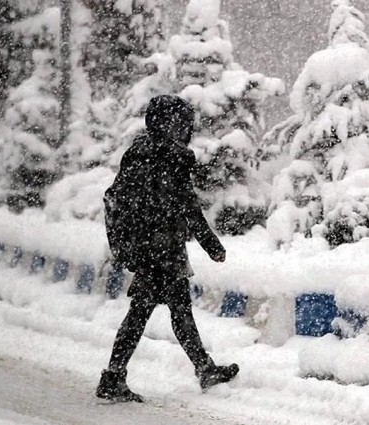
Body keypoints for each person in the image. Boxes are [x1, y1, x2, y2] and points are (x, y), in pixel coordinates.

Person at [97, 95, 238, 403]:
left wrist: (129, 244)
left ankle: (201, 368)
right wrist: (212, 245)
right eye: (181, 123)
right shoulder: (170, 159)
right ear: (169, 124)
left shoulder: (137, 154)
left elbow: (120, 199)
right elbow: (189, 207)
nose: (185, 129)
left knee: (169, 310)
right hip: (162, 251)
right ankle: (114, 375)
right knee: (153, 313)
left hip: (147, 248)